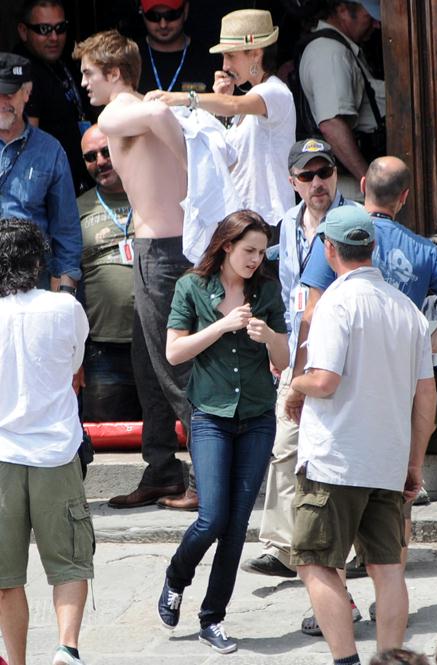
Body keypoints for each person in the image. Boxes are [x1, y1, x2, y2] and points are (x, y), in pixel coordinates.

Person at [73, 30, 238, 511]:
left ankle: (209, 479)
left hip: (163, 252)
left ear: (114, 73)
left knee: (175, 367)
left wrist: (188, 162)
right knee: (148, 364)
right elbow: (159, 115)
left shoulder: (117, 111)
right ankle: (163, 469)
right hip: (167, 249)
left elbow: (159, 115)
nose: (84, 83)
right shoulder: (139, 107)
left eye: (89, 73)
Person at [292, 155, 437, 634]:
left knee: (318, 560)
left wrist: (294, 383)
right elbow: (426, 398)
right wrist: (414, 462)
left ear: (329, 249)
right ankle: (392, 656)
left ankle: (344, 651)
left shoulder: (335, 299)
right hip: (390, 450)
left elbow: (323, 374)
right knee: (389, 567)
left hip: (337, 455)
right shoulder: (411, 305)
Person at [157, 210, 289, 654]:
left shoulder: (266, 290)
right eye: (249, 250)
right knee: (211, 517)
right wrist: (221, 325)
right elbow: (174, 352)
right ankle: (177, 576)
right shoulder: (192, 286)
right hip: (210, 416)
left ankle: (212, 617)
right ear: (227, 245)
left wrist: (268, 336)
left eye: (262, 252)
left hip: (257, 416)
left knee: (235, 526)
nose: (256, 259)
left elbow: (284, 359)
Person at [241, 138, 359, 579]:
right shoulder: (286, 223)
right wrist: (281, 346)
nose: (317, 182)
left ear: (335, 174)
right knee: (285, 446)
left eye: (324, 172)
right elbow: (288, 290)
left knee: (342, 446)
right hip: (297, 351)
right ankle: (280, 546)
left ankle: (353, 549)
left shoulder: (354, 220)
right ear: (293, 182)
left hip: (343, 352)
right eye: (307, 175)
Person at [0, 219, 94, 665]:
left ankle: (16, 661)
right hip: (56, 452)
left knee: (5, 578)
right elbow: (74, 363)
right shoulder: (65, 308)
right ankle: (66, 647)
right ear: (38, 262)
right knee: (70, 563)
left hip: (3, 454)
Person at [145, 8, 296, 228]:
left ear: (256, 53)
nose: (225, 66)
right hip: (242, 223)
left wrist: (182, 98)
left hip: (270, 222)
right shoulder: (249, 99)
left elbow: (233, 105)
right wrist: (220, 100)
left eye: (231, 56)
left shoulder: (275, 91)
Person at [0, 51, 82, 293]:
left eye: (9, 94)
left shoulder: (50, 150)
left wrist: (66, 291)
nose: (2, 102)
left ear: (27, 93)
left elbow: (65, 227)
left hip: (32, 280)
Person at [77, 124, 142, 422]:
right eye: (90, 157)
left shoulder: (153, 192)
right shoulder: (78, 207)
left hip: (158, 342)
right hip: (103, 349)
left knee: (167, 438)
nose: (100, 161)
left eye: (106, 151)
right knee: (106, 439)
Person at [299, 0, 384, 199]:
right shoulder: (330, 52)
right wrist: (370, 185)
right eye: (368, 16)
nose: (376, 24)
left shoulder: (339, 47)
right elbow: (332, 125)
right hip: (355, 191)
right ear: (342, 10)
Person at [16, 0, 92, 195]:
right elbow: (27, 145)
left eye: (60, 28)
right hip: (51, 189)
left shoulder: (63, 58)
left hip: (81, 180)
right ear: (23, 31)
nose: (54, 37)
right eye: (44, 29)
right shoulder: (22, 72)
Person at [136, 0, 214, 95]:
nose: (163, 25)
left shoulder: (209, 58)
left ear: (185, 10)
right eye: (153, 16)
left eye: (171, 15)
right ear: (142, 12)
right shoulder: (128, 57)